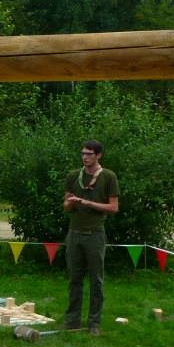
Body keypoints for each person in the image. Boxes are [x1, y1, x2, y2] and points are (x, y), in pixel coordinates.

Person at [63, 140, 119, 336]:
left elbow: (114, 207)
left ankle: (94, 323)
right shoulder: (73, 176)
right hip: (74, 233)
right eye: (83, 153)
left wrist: (87, 202)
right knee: (74, 279)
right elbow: (66, 206)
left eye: (89, 154)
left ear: (98, 155)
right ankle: (72, 321)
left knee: (96, 281)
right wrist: (71, 203)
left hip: (95, 234)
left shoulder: (108, 177)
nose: (85, 157)